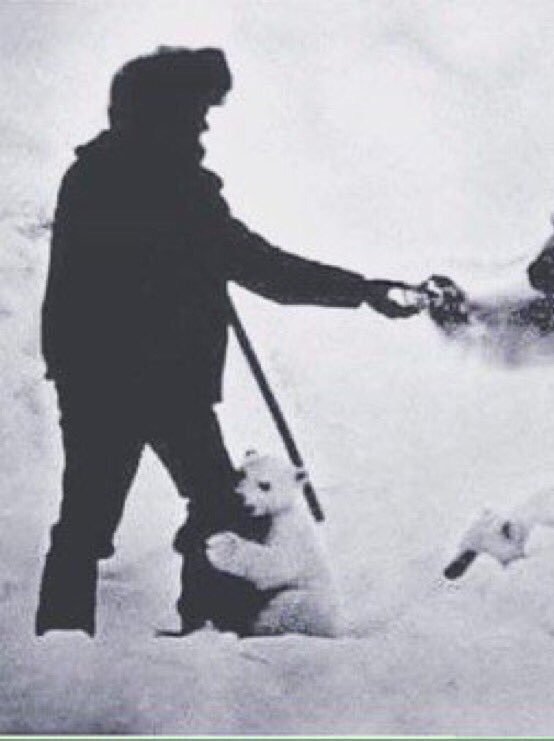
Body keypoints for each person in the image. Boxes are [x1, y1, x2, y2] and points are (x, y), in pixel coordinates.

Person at [36, 47, 424, 636]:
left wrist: (360, 290)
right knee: (185, 508)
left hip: (122, 379)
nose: (204, 127)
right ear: (164, 114)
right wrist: (363, 291)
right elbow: (260, 267)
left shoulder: (113, 175)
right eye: (197, 114)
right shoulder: (163, 183)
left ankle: (124, 639)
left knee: (136, 514)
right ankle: (190, 632)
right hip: (136, 381)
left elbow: (241, 262)